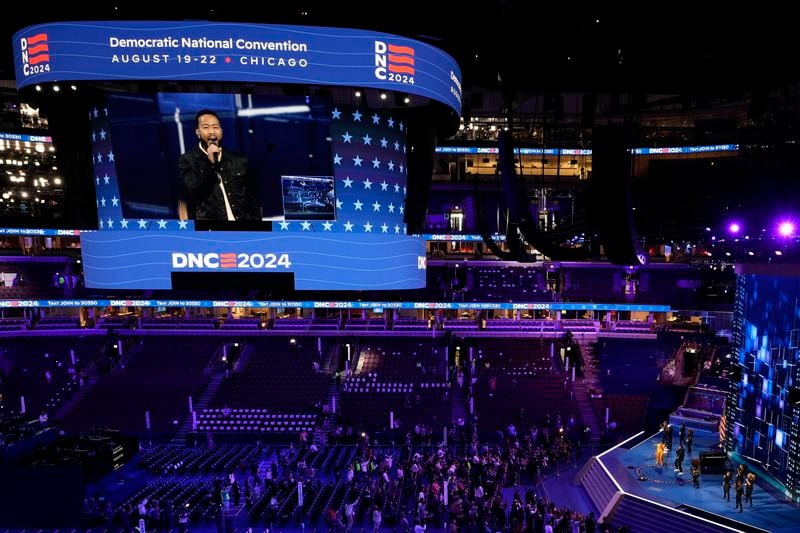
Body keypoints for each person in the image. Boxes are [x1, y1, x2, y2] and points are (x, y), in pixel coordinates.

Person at [179, 109, 261, 221]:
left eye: (215, 127)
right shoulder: (188, 160)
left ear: (222, 131)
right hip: (211, 231)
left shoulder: (238, 159)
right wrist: (210, 163)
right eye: (206, 127)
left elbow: (252, 198)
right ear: (198, 132)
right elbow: (194, 193)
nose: (212, 131)